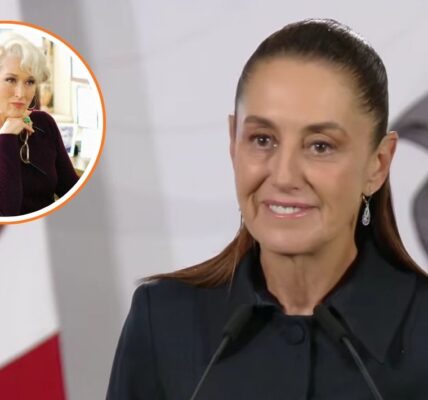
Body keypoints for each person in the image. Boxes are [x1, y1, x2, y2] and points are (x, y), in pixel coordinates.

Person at [107, 19, 428, 399]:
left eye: (320, 146)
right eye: (262, 140)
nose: (284, 175)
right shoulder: (162, 320)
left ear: (378, 164)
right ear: (233, 142)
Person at [0, 32, 78, 217]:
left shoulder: (43, 123)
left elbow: (73, 192)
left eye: (29, 82)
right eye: (11, 80)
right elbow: (7, 215)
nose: (21, 93)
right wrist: (6, 139)